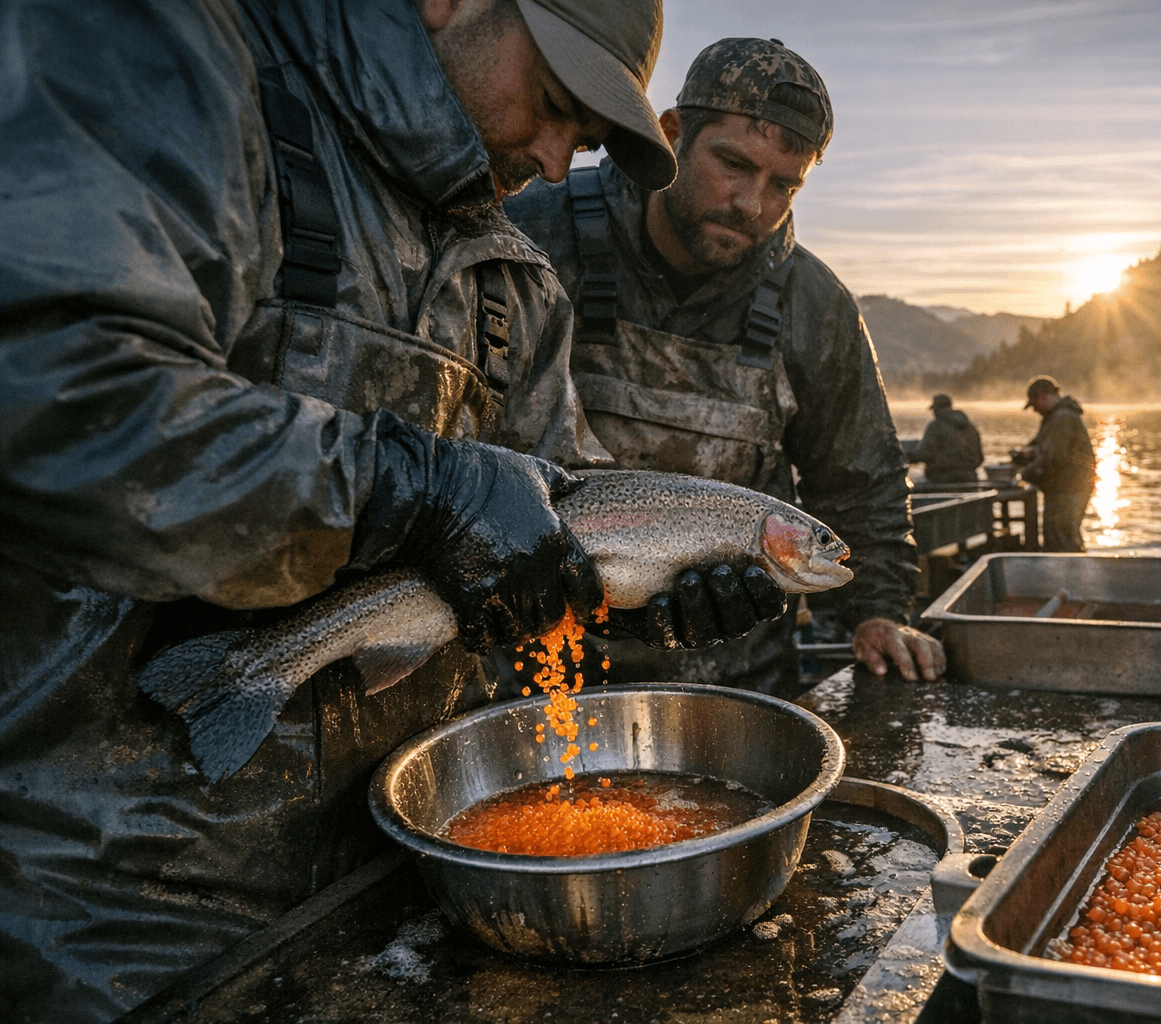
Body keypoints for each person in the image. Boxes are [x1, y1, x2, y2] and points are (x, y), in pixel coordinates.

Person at [0, 3, 784, 1020]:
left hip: (418, 869)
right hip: (108, 903)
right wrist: (407, 491)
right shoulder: (180, 57)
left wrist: (645, 600)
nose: (557, 162)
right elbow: (58, 400)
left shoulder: (516, 284)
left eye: (586, 140)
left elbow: (550, 520)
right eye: (554, 103)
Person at [505, 37, 944, 691]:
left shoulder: (815, 306)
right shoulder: (530, 235)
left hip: (732, 684)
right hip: (531, 668)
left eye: (784, 185)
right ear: (672, 134)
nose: (753, 203)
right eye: (734, 164)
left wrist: (879, 612)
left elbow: (862, 484)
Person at [1012, 375, 1096, 552]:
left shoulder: (1062, 418)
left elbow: (1053, 457)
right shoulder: (1054, 417)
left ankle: (1072, 569)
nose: (1035, 410)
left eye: (1034, 404)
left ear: (1043, 396)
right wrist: (1025, 455)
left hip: (1070, 489)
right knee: (1059, 536)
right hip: (1064, 488)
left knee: (1062, 539)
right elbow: (1041, 446)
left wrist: (1022, 475)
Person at [915, 394, 986, 486]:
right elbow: (980, 457)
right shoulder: (970, 427)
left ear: (936, 409)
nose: (933, 413)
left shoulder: (936, 426)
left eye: (934, 410)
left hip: (942, 480)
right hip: (970, 478)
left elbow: (924, 453)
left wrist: (909, 456)